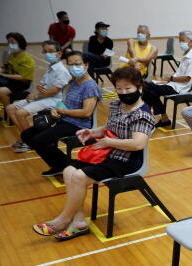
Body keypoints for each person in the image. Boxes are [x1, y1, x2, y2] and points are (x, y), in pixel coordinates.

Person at [32, 66, 155, 242]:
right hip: (108, 152)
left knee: (80, 176)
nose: (123, 92)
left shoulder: (142, 115)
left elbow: (137, 144)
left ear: (139, 88)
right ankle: (79, 221)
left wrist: (109, 142)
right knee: (68, 171)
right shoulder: (117, 105)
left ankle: (62, 220)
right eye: (119, 89)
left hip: (127, 160)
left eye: (128, 88)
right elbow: (109, 128)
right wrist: (92, 132)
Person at [21, 51, 101, 177]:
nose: (74, 67)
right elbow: (63, 102)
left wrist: (63, 111)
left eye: (78, 64)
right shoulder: (74, 82)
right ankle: (63, 164)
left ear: (86, 65)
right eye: (71, 64)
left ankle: (64, 164)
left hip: (78, 124)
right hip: (64, 119)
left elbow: (86, 112)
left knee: (39, 140)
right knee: (26, 134)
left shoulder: (90, 86)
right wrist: (56, 109)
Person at [7, 41, 71, 153]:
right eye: (45, 52)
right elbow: (41, 85)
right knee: (10, 108)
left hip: (53, 100)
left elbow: (53, 91)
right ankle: (25, 137)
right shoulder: (50, 67)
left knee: (20, 113)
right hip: (43, 97)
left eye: (51, 51)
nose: (47, 54)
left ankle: (29, 142)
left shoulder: (62, 70)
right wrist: (37, 91)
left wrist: (36, 95)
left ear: (59, 53)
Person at [141, 31, 192, 128]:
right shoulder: (186, 55)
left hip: (180, 88)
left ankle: (149, 116)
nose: (181, 43)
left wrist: (170, 78)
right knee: (150, 89)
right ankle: (162, 118)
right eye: (180, 41)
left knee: (147, 86)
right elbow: (179, 74)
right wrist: (166, 81)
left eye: (183, 41)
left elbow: (186, 78)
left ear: (191, 42)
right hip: (174, 85)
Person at [0, 33, 35, 118]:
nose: (10, 45)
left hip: (21, 83)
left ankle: (9, 115)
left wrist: (3, 75)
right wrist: (1, 69)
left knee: (1, 91)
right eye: (9, 42)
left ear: (20, 43)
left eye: (13, 42)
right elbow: (7, 68)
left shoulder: (27, 59)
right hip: (11, 79)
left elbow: (23, 78)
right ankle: (2, 106)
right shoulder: (12, 55)